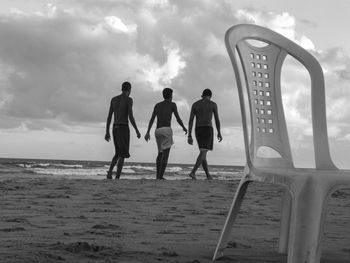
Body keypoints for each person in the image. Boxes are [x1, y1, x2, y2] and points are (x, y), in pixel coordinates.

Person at [144, 88, 187, 179]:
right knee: (166, 154)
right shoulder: (172, 104)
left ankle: (157, 176)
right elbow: (178, 118)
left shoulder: (157, 105)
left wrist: (147, 132)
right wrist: (183, 127)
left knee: (160, 153)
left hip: (158, 131)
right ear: (171, 95)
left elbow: (152, 119)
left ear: (163, 95)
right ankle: (160, 176)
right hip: (166, 130)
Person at [105, 81, 141, 179]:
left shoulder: (114, 99)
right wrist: (137, 130)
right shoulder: (129, 100)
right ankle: (117, 177)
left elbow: (109, 117)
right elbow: (130, 116)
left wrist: (107, 131)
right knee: (122, 154)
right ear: (129, 90)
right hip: (123, 128)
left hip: (114, 127)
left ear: (122, 88)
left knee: (117, 153)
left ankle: (109, 173)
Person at [187, 89, 222, 180]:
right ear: (210, 96)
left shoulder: (195, 104)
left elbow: (191, 120)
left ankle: (208, 175)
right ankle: (193, 172)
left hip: (197, 129)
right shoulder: (213, 104)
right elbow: (217, 120)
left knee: (203, 152)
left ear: (202, 95)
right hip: (207, 128)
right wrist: (219, 132)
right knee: (203, 151)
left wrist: (189, 135)